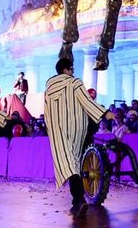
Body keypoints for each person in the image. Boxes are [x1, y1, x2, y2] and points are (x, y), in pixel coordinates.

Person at [45, 57, 111, 217]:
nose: (73, 73)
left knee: (70, 166)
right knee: (76, 164)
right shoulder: (75, 83)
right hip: (78, 131)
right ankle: (78, 201)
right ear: (66, 70)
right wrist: (104, 113)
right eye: (72, 70)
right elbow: (87, 102)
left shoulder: (49, 88)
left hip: (59, 132)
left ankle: (78, 201)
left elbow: (47, 111)